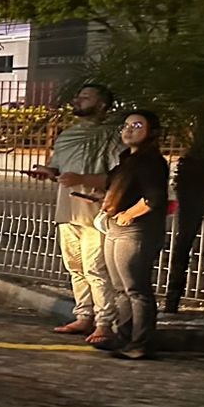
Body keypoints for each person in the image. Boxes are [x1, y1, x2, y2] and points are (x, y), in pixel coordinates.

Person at [63, 109, 170, 361]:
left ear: (152, 132)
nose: (129, 129)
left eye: (137, 125)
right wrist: (107, 201)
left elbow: (153, 198)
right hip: (115, 226)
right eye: (126, 125)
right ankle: (123, 336)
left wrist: (129, 214)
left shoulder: (151, 161)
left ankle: (140, 343)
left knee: (136, 289)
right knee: (121, 288)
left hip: (135, 231)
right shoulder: (127, 158)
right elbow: (118, 187)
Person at [30, 83, 121, 344]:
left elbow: (119, 176)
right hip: (67, 213)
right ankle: (84, 316)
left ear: (102, 104)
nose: (78, 101)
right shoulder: (68, 136)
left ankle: (104, 322)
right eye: (78, 97)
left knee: (96, 269)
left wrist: (83, 178)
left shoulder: (111, 137)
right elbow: (58, 169)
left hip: (95, 214)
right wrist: (48, 172)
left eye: (86, 97)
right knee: (76, 268)